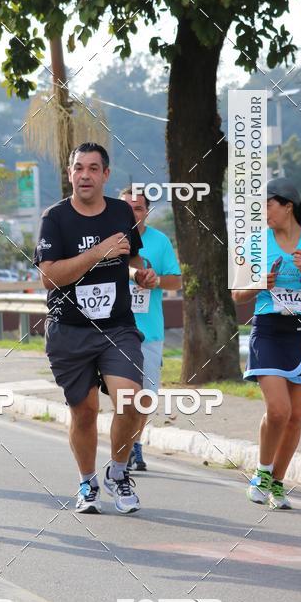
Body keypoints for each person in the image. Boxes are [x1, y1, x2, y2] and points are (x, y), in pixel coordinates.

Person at [34, 142, 153, 516]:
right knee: (84, 412)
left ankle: (118, 472)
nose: (84, 175)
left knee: (132, 400)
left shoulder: (121, 212)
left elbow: (130, 255)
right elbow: (49, 277)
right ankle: (87, 481)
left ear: (105, 174)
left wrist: (141, 273)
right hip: (69, 328)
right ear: (70, 174)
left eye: (92, 168)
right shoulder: (54, 218)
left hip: (117, 326)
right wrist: (95, 254)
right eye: (78, 168)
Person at [232, 177, 301, 510]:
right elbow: (237, 296)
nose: (262, 212)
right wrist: (260, 283)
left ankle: (278, 482)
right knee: (278, 410)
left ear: (286, 205)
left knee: (295, 417)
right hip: (267, 330)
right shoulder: (254, 243)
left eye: (267, 204)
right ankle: (262, 473)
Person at [119, 187, 182, 471]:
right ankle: (126, 445)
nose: (132, 213)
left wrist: (157, 281)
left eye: (138, 208)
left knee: (145, 396)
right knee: (123, 394)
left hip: (150, 332)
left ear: (147, 212)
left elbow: (176, 281)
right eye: (126, 207)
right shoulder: (110, 241)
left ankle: (135, 442)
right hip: (115, 331)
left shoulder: (159, 241)